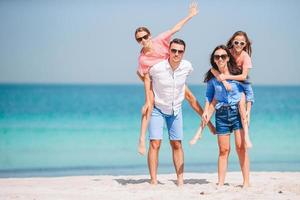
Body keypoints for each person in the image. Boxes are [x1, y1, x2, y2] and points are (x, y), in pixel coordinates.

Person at [135, 2, 215, 155]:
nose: (143, 40)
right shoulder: (143, 59)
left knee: (191, 98)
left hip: (173, 77)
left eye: (145, 37)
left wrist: (190, 16)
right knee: (149, 105)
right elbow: (144, 76)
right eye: (139, 39)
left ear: (149, 35)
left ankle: (209, 124)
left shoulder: (159, 40)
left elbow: (175, 28)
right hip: (155, 80)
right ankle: (141, 138)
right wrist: (148, 97)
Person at [190, 31, 254, 148]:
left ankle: (247, 136)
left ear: (245, 44)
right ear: (232, 42)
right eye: (236, 42)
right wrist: (224, 81)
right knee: (211, 104)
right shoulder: (227, 52)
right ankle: (199, 132)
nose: (238, 45)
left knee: (242, 101)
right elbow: (213, 69)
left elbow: (244, 78)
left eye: (242, 43)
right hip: (224, 87)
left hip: (238, 85)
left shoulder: (245, 57)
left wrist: (248, 110)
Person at [148, 38, 198, 186]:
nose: (176, 53)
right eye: (174, 50)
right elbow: (144, 75)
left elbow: (184, 83)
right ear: (169, 51)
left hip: (176, 109)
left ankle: (180, 180)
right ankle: (153, 180)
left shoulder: (187, 67)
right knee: (155, 143)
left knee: (177, 144)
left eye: (180, 51)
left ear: (184, 52)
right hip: (157, 108)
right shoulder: (157, 68)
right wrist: (148, 98)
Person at [202, 45, 252, 188]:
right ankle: (221, 182)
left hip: (237, 112)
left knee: (241, 147)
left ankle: (246, 182)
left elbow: (249, 93)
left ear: (228, 57)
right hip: (221, 114)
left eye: (223, 56)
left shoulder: (238, 74)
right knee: (223, 150)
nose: (220, 59)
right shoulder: (212, 78)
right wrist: (206, 111)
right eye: (217, 57)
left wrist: (248, 110)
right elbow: (208, 96)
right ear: (214, 59)